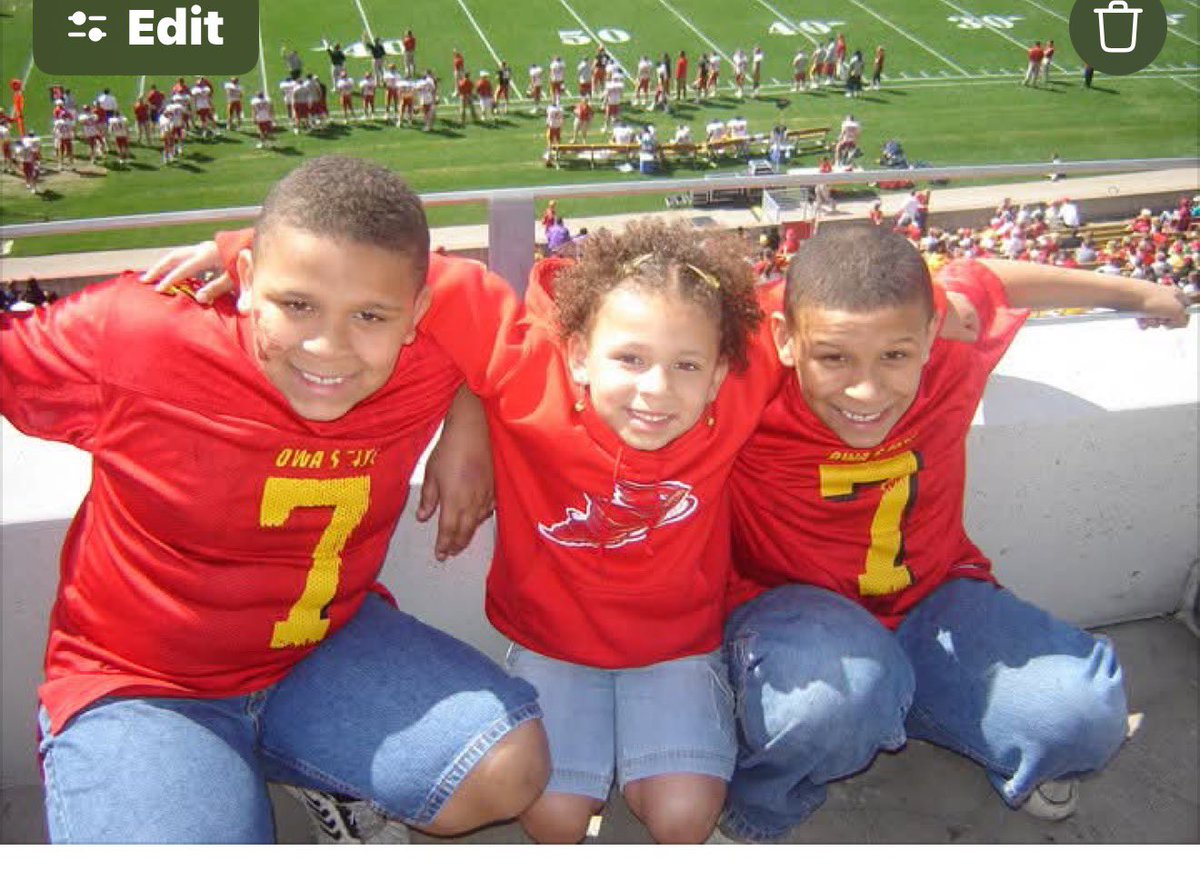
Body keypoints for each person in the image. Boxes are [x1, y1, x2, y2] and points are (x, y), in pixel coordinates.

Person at [2, 156, 550, 844]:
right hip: (141, 684)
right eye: (297, 305)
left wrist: (472, 410)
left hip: (321, 647)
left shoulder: (429, 351)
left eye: (370, 315)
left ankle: (318, 769)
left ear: (416, 316)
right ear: (248, 280)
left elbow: (503, 309)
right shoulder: (137, 336)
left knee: (506, 766)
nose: (328, 346)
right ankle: (209, 771)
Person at [720, 225, 1189, 842]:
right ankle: (762, 803)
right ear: (785, 338)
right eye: (834, 357)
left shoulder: (948, 346)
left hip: (933, 597)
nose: (865, 389)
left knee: (1083, 719)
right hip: (790, 607)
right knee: (829, 704)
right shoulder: (747, 376)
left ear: (930, 334)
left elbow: (990, 279)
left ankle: (895, 701)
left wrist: (1134, 293)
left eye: (895, 355)